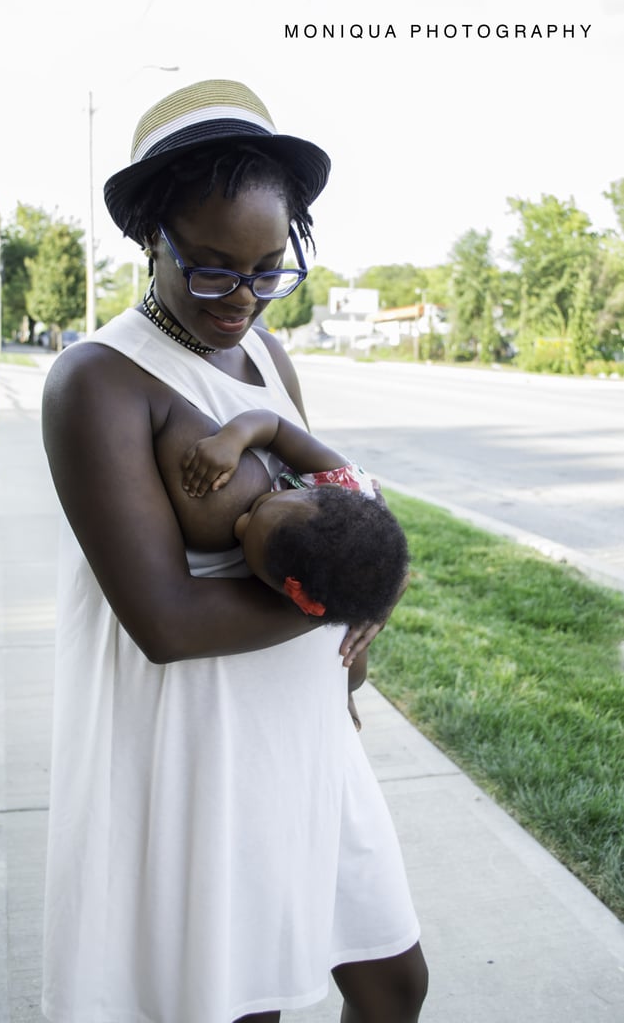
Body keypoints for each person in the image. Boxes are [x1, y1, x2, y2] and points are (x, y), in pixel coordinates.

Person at [41, 78, 428, 1023]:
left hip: (305, 731)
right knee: (238, 1001)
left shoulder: (266, 359)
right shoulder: (98, 380)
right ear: (149, 239)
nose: (240, 298)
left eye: (267, 269)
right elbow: (166, 624)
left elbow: (330, 504)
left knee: (391, 982)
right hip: (200, 741)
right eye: (209, 267)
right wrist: (338, 595)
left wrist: (362, 601)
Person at [177, 407, 411, 729]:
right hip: (337, 564)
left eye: (253, 512)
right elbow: (273, 426)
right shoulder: (332, 476)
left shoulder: (314, 573)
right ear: (312, 490)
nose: (240, 525)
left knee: (352, 663)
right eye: (258, 506)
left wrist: (380, 600)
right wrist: (232, 439)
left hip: (343, 582)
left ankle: (345, 693)